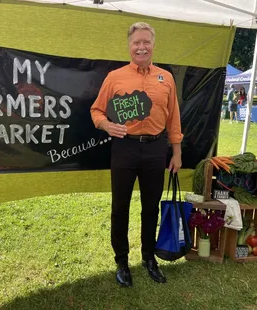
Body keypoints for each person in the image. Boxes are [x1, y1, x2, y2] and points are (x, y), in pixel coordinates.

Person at [90, 22, 183, 287]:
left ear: (153, 45)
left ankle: (148, 258)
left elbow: (174, 118)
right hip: (125, 148)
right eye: (136, 43)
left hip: (156, 149)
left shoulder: (166, 78)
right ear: (129, 47)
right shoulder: (115, 77)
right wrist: (107, 124)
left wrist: (176, 152)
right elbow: (96, 111)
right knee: (120, 208)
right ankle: (122, 261)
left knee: (150, 208)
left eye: (146, 42)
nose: (141, 47)